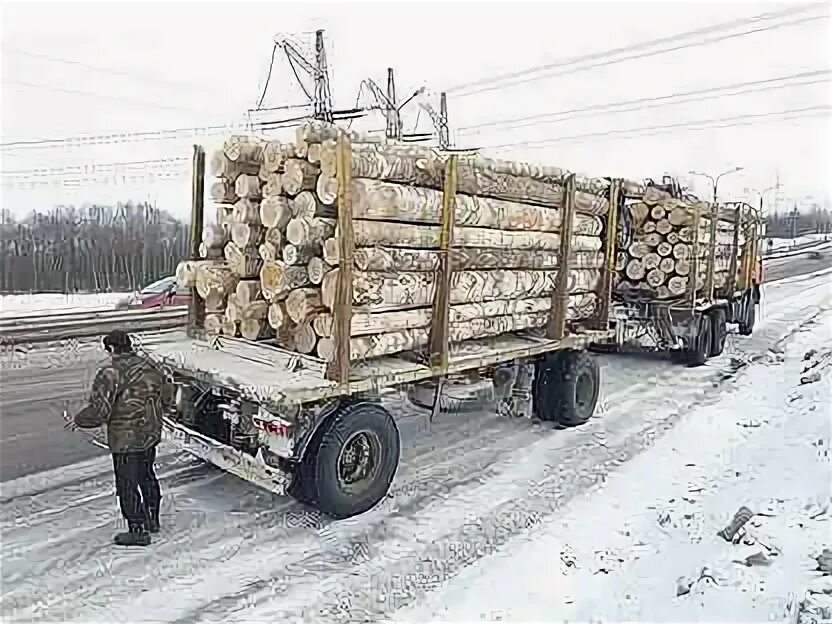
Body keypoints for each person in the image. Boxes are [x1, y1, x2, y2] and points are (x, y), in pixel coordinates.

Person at [73, 329, 171, 546]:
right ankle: (152, 519)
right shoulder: (150, 367)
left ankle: (137, 529)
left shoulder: (110, 373)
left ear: (111, 348)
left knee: (127, 483)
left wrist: (79, 420)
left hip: (125, 438)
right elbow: (167, 397)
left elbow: (101, 411)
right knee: (146, 475)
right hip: (149, 433)